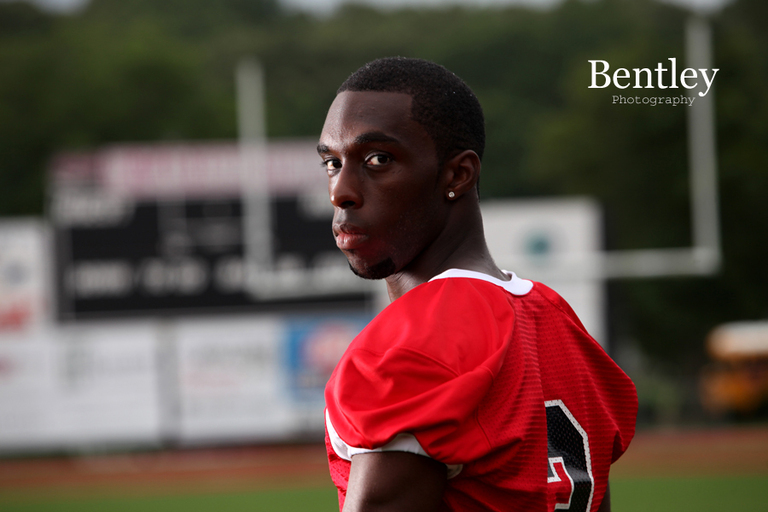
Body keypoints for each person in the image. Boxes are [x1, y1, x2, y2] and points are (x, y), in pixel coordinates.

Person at [317, 57, 637, 512]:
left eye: (377, 159)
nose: (340, 191)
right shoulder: (556, 317)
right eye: (332, 162)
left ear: (457, 174)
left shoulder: (413, 342)